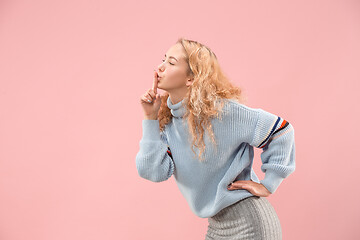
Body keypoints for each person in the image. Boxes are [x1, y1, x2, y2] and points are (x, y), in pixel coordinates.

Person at [135, 38, 296, 240]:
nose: (160, 67)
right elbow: (153, 172)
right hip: (217, 226)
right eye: (163, 59)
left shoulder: (221, 112)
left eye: (171, 62)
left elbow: (281, 131)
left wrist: (269, 183)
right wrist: (150, 119)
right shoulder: (169, 123)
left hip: (251, 224)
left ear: (191, 78)